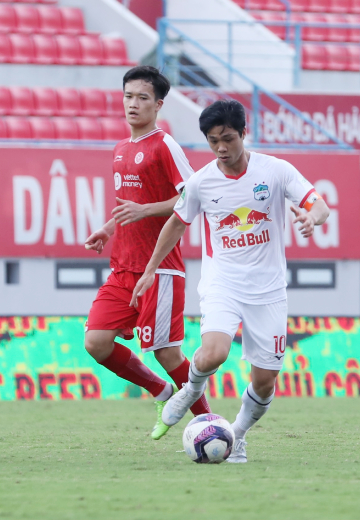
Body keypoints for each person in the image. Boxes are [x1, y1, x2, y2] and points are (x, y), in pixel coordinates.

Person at [131, 99, 330, 462]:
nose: (221, 148)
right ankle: (191, 389)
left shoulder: (275, 170)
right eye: (212, 141)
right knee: (214, 354)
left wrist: (311, 219)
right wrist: (148, 271)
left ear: (243, 133)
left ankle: (236, 434)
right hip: (223, 283)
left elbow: (319, 204)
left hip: (268, 290)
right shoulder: (202, 182)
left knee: (266, 381)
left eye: (228, 139)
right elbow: (176, 223)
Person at [83, 65, 211, 440]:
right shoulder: (120, 149)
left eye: (142, 98)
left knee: (168, 353)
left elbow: (192, 196)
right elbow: (131, 205)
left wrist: (146, 210)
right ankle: (160, 390)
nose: (133, 104)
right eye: (128, 96)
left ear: (158, 105)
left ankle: (208, 423)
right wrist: (109, 229)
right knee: (96, 342)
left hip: (161, 269)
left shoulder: (164, 144)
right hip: (123, 268)